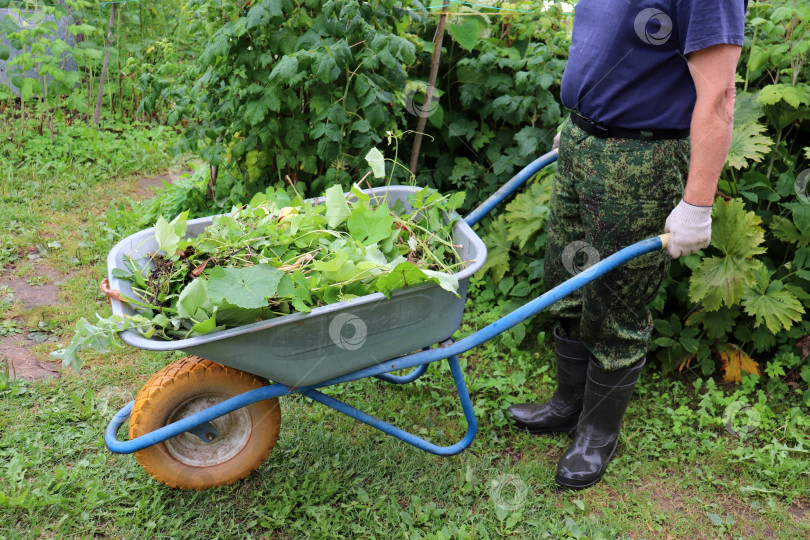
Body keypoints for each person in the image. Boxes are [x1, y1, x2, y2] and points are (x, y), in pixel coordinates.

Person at [507, 1, 747, 489]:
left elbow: (719, 94)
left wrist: (697, 205)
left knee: (616, 302)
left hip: (640, 160)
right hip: (582, 141)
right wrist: (578, 122)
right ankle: (566, 404)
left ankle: (596, 434)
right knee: (566, 284)